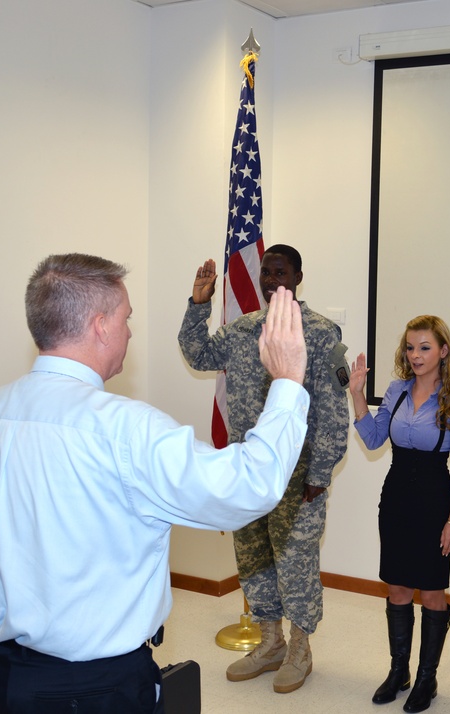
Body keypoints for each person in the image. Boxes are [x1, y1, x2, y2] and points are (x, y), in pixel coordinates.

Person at [0, 253, 310, 714]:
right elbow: (248, 486)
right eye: (126, 318)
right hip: (90, 689)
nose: (130, 331)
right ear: (100, 326)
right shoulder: (125, 431)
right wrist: (286, 382)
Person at [178, 244, 349, 694]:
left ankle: (299, 647)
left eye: (282, 272)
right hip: (246, 472)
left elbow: (334, 413)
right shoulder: (243, 330)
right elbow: (197, 354)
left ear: (298, 277)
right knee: (253, 562)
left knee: (296, 564)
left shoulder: (320, 333)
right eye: (266, 273)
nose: (272, 280)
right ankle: (269, 641)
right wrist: (199, 303)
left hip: (298, 478)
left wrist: (319, 475)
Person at [349, 315, 450, 713]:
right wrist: (356, 394)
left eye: (424, 347)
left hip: (435, 499)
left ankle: (426, 678)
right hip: (398, 496)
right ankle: (398, 671)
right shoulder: (395, 391)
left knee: (433, 592)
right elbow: (372, 440)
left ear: (443, 351)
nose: (415, 355)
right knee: (398, 586)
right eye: (409, 347)